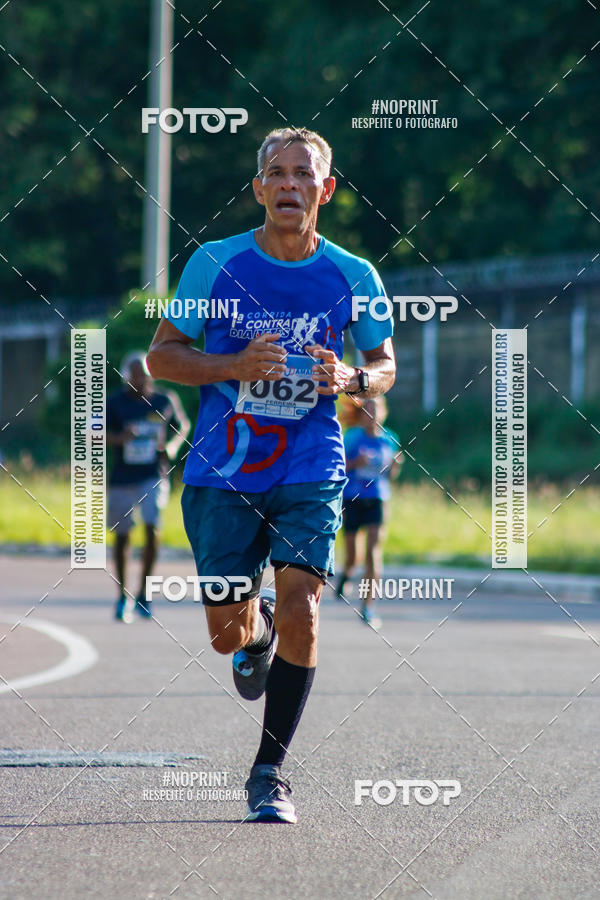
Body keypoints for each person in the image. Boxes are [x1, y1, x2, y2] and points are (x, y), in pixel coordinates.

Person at [147, 126, 396, 823]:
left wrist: (351, 376)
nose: (290, 185)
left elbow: (385, 365)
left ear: (326, 189)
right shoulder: (213, 265)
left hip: (312, 460)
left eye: (303, 174)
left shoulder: (354, 275)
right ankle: (253, 640)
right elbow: (163, 358)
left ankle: (269, 774)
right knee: (228, 630)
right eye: (277, 174)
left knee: (303, 607)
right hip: (222, 469)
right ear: (259, 189)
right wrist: (232, 366)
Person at [106, 352, 190, 623]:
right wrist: (120, 437)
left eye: (143, 374)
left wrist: (172, 446)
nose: (140, 380)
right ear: (126, 377)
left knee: (153, 527)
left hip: (153, 475)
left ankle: (145, 595)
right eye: (134, 375)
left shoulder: (164, 400)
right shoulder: (114, 403)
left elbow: (182, 426)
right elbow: (93, 431)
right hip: (122, 478)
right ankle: (122, 596)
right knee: (122, 536)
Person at [336, 397, 402, 628]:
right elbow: (340, 467)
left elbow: (390, 476)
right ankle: (346, 574)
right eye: (368, 410)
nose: (372, 415)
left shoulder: (390, 439)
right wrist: (356, 462)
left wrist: (396, 466)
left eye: (377, 410)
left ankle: (368, 606)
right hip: (353, 497)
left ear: (384, 412)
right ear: (362, 414)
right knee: (353, 555)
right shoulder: (353, 437)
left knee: (373, 553)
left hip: (378, 498)